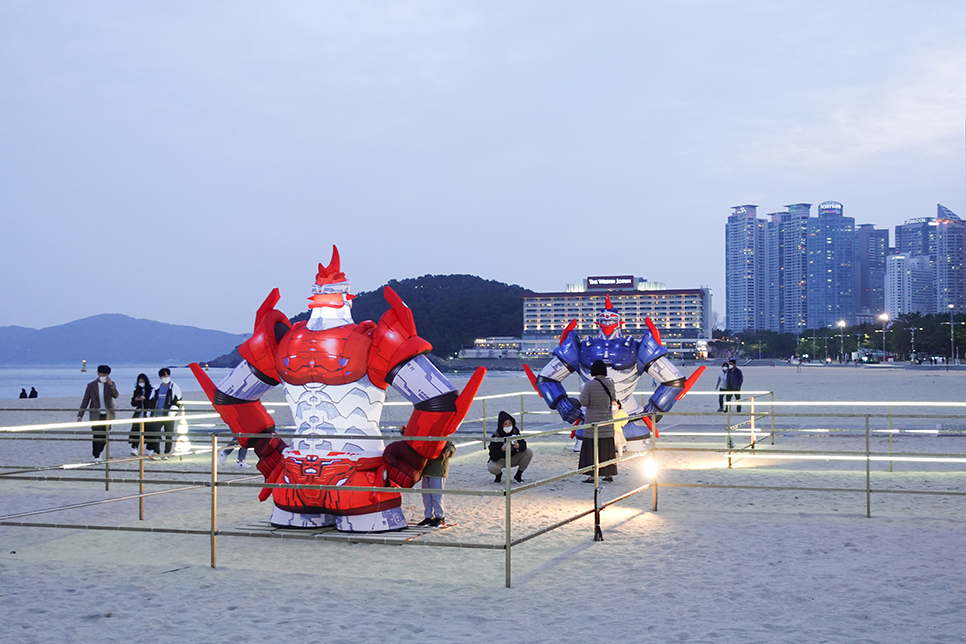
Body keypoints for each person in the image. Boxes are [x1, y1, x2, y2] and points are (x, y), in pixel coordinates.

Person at [578, 359, 617, 483]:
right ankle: (609, 474)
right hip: (607, 420)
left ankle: (592, 475)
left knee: (592, 449)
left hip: (593, 422)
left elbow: (584, 402)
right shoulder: (610, 384)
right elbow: (613, 399)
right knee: (607, 449)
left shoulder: (589, 385)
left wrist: (581, 394)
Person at [76, 365, 119, 462]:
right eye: (102, 374)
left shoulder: (111, 384)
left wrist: (110, 385)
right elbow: (85, 400)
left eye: (106, 374)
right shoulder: (91, 386)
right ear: (98, 373)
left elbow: (115, 395)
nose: (104, 376)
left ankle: (100, 452)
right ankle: (96, 455)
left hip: (108, 414)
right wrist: (80, 415)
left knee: (105, 435)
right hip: (96, 414)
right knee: (96, 435)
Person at [418, 438, 455, 527]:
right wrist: (404, 432)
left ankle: (440, 517)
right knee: (426, 496)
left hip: (438, 471)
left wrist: (449, 451)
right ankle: (428, 517)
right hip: (426, 470)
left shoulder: (443, 436)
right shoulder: (426, 434)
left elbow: (451, 446)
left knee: (437, 496)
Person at [487, 411, 533, 484]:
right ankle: (498, 475)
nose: (508, 426)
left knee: (528, 452)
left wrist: (518, 446)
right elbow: (493, 456)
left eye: (510, 423)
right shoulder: (496, 436)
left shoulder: (515, 431)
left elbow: (523, 445)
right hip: (501, 459)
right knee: (492, 467)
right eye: (505, 424)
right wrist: (502, 449)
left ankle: (518, 476)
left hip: (513, 457)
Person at [149, 368, 182, 459]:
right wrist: (150, 412)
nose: (166, 377)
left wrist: (172, 411)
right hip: (158, 414)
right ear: (160, 377)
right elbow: (152, 401)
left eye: (167, 375)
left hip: (169, 415)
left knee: (168, 434)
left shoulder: (174, 387)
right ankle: (157, 452)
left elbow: (177, 400)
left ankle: (167, 453)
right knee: (155, 433)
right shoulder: (156, 388)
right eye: (164, 376)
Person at [128, 374, 154, 456]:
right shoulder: (137, 391)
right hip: (139, 412)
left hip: (148, 412)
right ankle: (135, 447)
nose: (141, 383)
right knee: (136, 429)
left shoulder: (151, 390)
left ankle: (150, 448)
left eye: (143, 381)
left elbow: (152, 401)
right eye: (140, 381)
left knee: (149, 430)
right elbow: (133, 403)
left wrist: (145, 399)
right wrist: (136, 399)